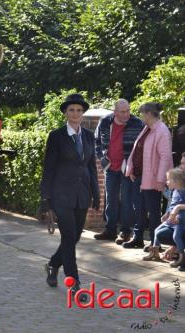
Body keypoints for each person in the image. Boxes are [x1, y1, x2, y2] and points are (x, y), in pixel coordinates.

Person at [39, 94, 100, 300]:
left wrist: (97, 194)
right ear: (65, 113)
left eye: (79, 110)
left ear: (83, 113)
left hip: (82, 195)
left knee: (74, 238)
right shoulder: (56, 136)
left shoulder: (89, 136)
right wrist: (45, 198)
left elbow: (91, 167)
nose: (76, 113)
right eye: (71, 110)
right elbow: (49, 168)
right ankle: (74, 284)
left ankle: (52, 265)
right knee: (67, 237)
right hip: (61, 195)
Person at [123, 103, 174, 250]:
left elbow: (165, 157)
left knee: (153, 212)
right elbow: (137, 149)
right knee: (138, 209)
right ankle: (138, 238)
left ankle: (155, 243)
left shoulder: (161, 130)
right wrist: (131, 168)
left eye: (142, 114)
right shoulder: (147, 128)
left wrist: (160, 180)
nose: (140, 117)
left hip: (152, 179)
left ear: (148, 114)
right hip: (139, 176)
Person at [93, 99, 144, 243]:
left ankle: (125, 232)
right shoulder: (104, 122)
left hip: (127, 168)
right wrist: (102, 157)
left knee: (127, 201)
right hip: (110, 168)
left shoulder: (137, 123)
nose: (127, 113)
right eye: (123, 111)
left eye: (128, 110)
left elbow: (141, 146)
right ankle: (110, 230)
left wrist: (134, 164)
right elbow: (96, 140)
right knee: (111, 200)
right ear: (115, 112)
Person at [144, 168, 185, 266]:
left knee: (176, 236)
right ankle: (155, 252)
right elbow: (172, 204)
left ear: (176, 181)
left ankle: (181, 256)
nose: (167, 182)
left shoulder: (183, 191)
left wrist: (177, 209)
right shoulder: (174, 191)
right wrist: (167, 214)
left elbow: (177, 206)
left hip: (179, 220)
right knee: (157, 230)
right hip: (171, 218)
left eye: (168, 180)